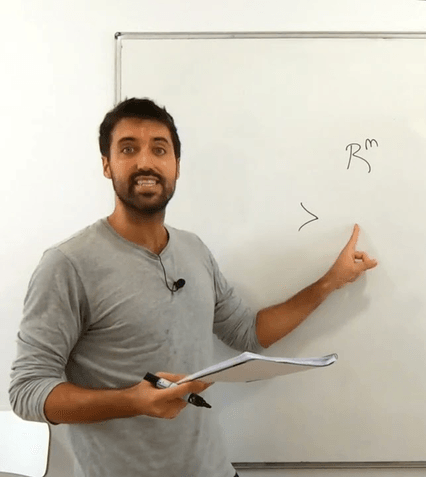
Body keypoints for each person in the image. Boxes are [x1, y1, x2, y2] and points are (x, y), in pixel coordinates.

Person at [8, 98, 378, 477]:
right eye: (128, 149)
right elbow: (27, 390)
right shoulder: (68, 264)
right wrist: (132, 401)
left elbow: (247, 333)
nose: (145, 162)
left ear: (176, 166)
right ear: (107, 164)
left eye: (159, 149)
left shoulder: (194, 250)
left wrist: (330, 281)